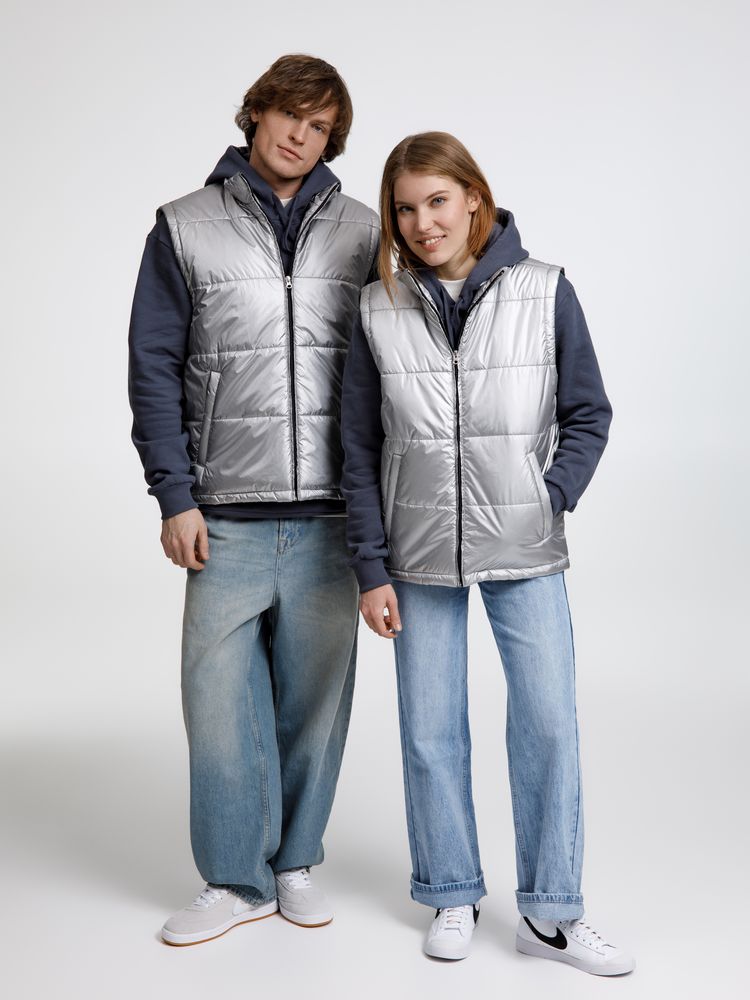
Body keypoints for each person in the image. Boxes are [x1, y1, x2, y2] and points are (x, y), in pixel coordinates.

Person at [341, 132, 635, 976]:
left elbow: (589, 412)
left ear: (474, 196)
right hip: (416, 550)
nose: (422, 222)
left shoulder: (545, 289)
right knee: (430, 730)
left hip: (526, 544)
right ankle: (450, 892)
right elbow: (358, 445)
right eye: (405, 208)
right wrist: (369, 566)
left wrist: (550, 493)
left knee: (547, 725)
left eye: (437, 200)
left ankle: (551, 914)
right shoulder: (378, 306)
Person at [128, 54, 379, 946]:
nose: (299, 136)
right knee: (219, 707)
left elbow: (396, 364)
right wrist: (174, 495)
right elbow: (153, 367)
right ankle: (236, 881)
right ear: (257, 112)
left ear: (330, 140)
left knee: (314, 706)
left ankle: (295, 862)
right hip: (224, 512)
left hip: (333, 517)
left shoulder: (364, 229)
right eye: (289, 115)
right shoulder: (184, 225)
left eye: (319, 127)